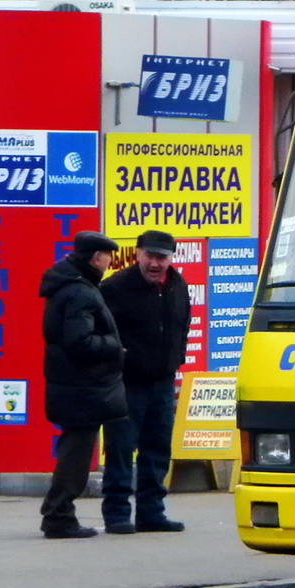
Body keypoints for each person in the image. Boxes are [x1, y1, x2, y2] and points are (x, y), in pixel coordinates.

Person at [98, 230, 190, 534]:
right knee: (122, 448)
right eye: (149, 255)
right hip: (127, 382)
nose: (155, 263)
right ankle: (117, 514)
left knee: (157, 448)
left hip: (163, 381)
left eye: (161, 257)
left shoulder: (177, 285)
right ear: (137, 254)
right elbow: (102, 333)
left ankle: (151, 512)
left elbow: (182, 325)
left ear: (170, 259)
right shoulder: (116, 287)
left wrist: (175, 359)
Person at [38, 231, 128, 539]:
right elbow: (80, 341)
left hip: (71, 384)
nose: (109, 264)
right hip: (83, 387)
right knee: (76, 455)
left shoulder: (68, 286)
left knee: (72, 450)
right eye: (107, 258)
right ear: (96, 258)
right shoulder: (81, 292)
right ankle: (59, 515)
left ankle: (58, 512)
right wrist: (115, 347)